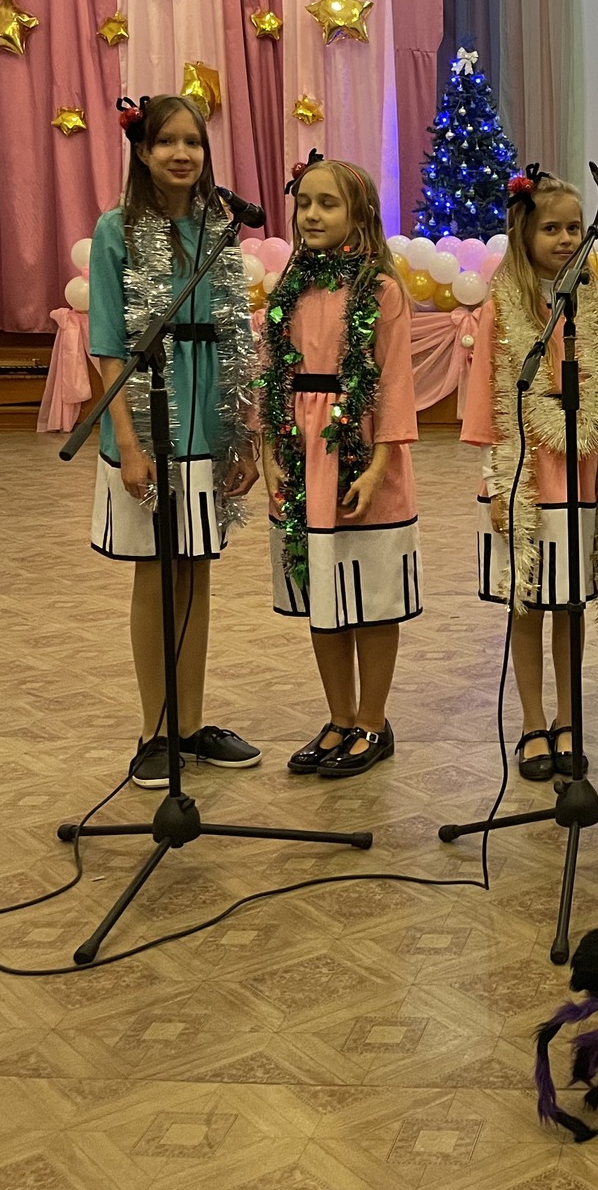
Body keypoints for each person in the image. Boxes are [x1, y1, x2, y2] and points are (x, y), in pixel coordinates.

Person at [87, 94, 263, 788]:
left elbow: (237, 334)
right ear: (142, 151)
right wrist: (130, 445)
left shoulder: (219, 228)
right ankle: (153, 731)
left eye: (193, 141)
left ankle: (191, 725)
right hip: (148, 419)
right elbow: (108, 345)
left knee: (195, 571)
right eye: (167, 142)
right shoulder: (117, 230)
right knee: (156, 573)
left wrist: (243, 433)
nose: (182, 154)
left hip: (209, 420)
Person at [259, 153, 422, 780]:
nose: (312, 214)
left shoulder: (381, 290)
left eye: (327, 203)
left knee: (371, 596)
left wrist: (379, 465)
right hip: (304, 454)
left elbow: (395, 382)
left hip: (363, 454)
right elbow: (272, 377)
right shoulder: (289, 288)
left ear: (359, 213)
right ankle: (339, 716)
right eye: (304, 202)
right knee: (323, 590)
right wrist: (271, 452)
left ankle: (373, 721)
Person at [462, 168, 598, 782]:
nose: (565, 239)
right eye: (551, 228)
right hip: (523, 476)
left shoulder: (593, 304)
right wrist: (498, 482)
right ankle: (532, 721)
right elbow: (488, 403)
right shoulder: (501, 309)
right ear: (524, 234)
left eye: (574, 228)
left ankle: (568, 716)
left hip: (578, 474)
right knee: (525, 604)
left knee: (569, 605)